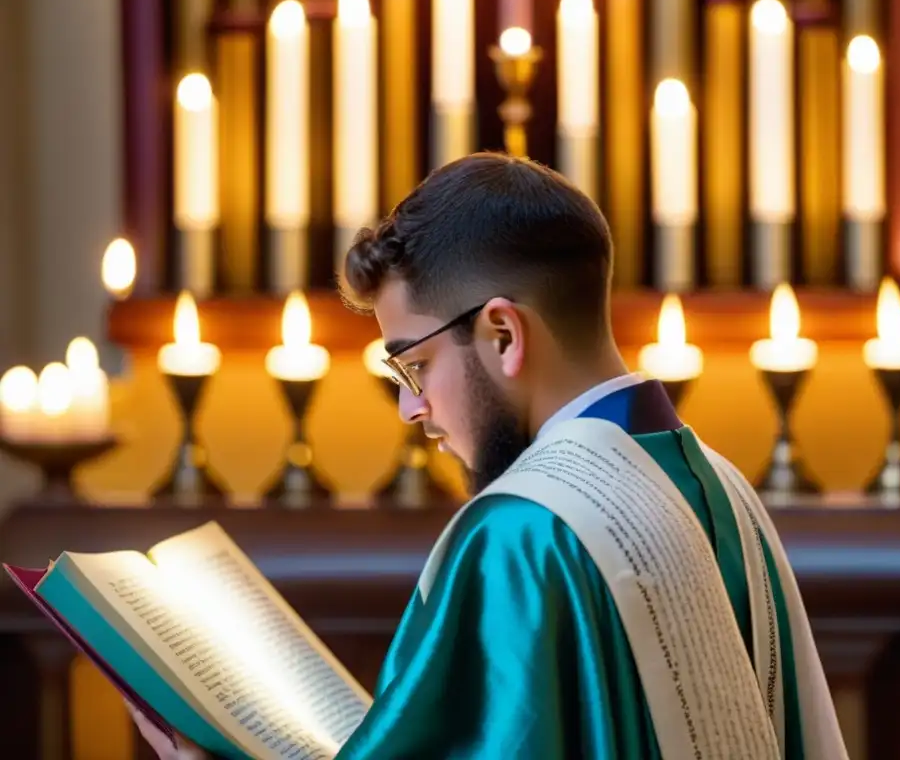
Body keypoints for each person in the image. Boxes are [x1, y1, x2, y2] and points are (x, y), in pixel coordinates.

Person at [130, 152, 847, 759]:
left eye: (412, 365)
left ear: (503, 333)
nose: (413, 408)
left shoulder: (524, 532)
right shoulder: (718, 486)